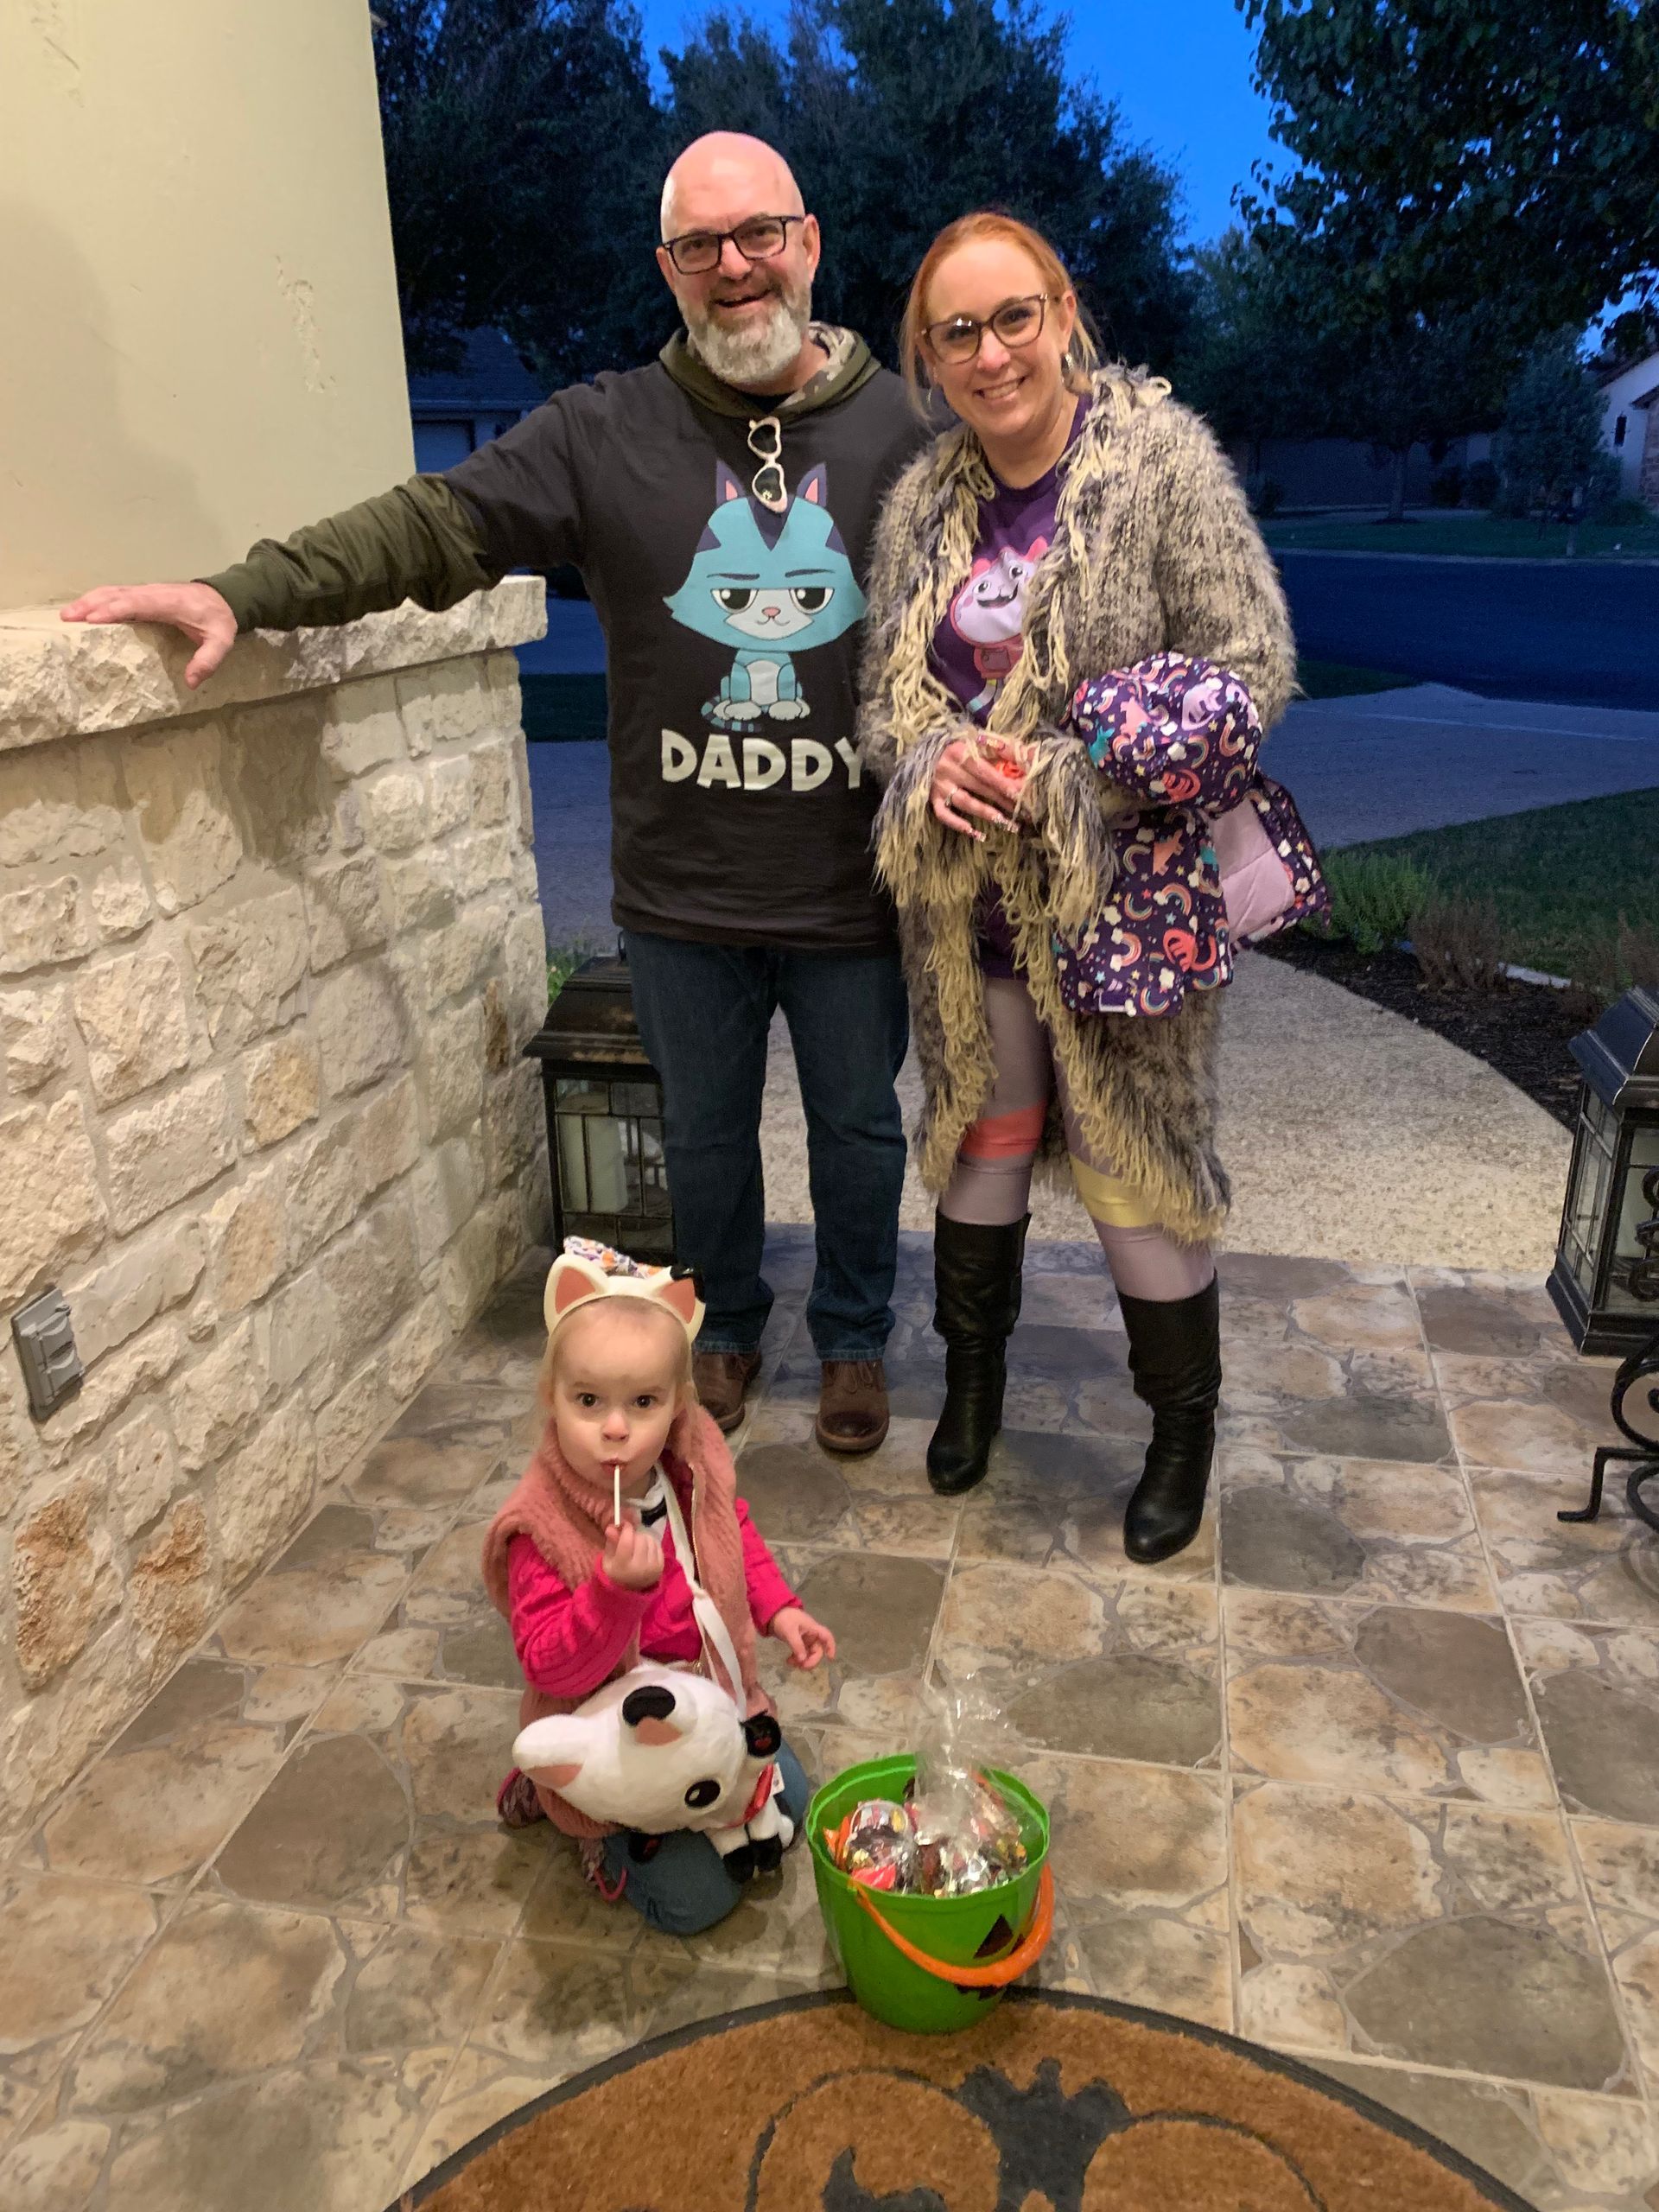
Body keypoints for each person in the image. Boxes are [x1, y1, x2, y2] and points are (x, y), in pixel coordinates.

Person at [60, 132, 925, 1454]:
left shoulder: (905, 431)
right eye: (701, 246)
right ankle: (733, 1325)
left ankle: (856, 1335)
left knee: (860, 1135)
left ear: (808, 244)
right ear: (668, 270)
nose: (734, 268)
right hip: (684, 890)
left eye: (759, 236)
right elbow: (432, 527)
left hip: (852, 881)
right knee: (701, 1144)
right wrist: (238, 590)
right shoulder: (601, 430)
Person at [858, 213, 1325, 1560]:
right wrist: (930, 763)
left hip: (1119, 907)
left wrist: (1077, 774)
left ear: (1065, 314)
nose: (993, 353)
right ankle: (975, 1390)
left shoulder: (1161, 466)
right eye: (959, 331)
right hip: (967, 916)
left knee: (1133, 1162)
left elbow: (1253, 666)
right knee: (982, 1140)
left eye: (1016, 317)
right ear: (930, 358)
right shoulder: (921, 501)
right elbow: (885, 704)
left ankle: (1181, 1431)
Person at [483, 1241, 835, 1935]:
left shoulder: (687, 1461)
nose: (615, 1428)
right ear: (551, 1398)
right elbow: (549, 1662)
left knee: (794, 1806)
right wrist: (612, 1595)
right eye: (588, 1401)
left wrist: (779, 1609)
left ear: (678, 1405)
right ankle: (592, 1832)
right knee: (699, 1902)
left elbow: (730, 1534)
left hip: (711, 1701)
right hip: (621, 1735)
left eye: (642, 1401)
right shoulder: (541, 1526)